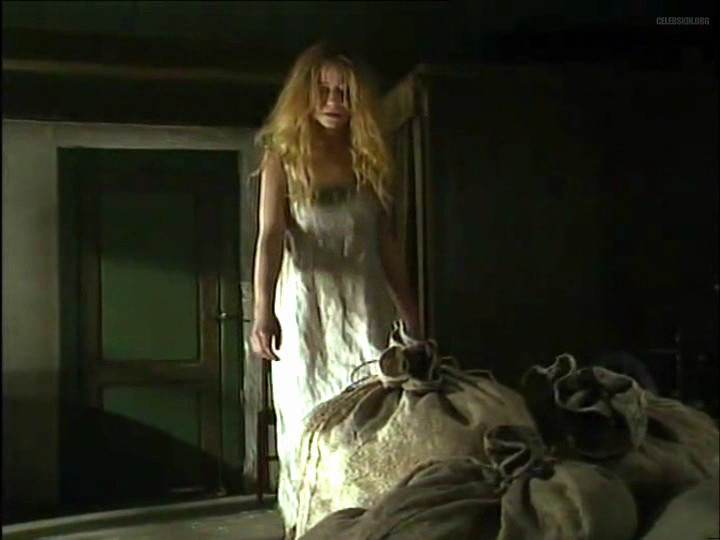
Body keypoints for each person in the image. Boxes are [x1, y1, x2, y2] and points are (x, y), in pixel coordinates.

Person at [249, 42, 420, 533]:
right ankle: (307, 526)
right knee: (310, 422)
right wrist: (262, 310)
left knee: (372, 426)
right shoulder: (283, 156)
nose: (333, 101)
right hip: (308, 313)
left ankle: (365, 528)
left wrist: (412, 316)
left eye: (344, 92)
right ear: (304, 94)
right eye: (323, 90)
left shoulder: (370, 156)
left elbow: (386, 244)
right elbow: (270, 235)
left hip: (366, 309)